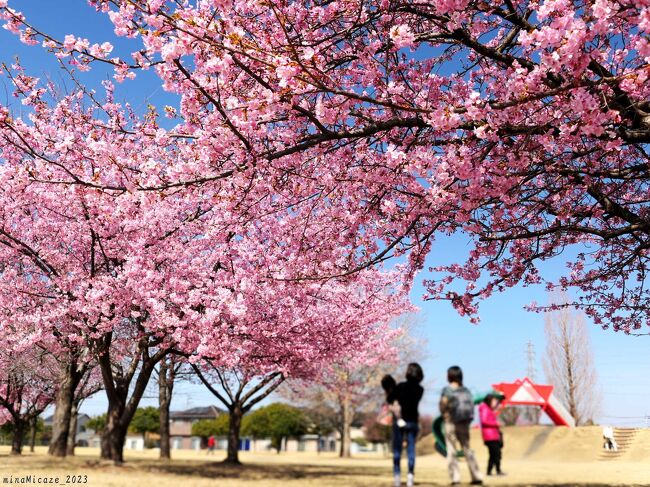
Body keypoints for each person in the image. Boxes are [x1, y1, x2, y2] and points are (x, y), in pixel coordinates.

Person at [439, 366, 483, 486]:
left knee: (451, 450)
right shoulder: (466, 390)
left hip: (451, 422)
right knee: (467, 449)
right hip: (464, 423)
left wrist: (444, 414)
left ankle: (455, 478)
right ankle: (476, 476)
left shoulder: (447, 390)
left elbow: (443, 405)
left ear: (449, 376)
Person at [387, 363, 424, 487]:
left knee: (397, 450)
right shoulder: (420, 389)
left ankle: (397, 478)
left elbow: (390, 399)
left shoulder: (401, 386)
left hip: (400, 421)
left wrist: (390, 389)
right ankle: (410, 478)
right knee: (411, 451)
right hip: (412, 421)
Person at [479, 394, 505, 476]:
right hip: (489, 436)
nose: (495, 402)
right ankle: (493, 471)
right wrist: (496, 424)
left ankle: (494, 470)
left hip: (493, 435)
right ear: (489, 401)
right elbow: (484, 421)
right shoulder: (484, 408)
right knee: (495, 454)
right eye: (494, 401)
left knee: (496, 454)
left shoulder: (489, 409)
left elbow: (496, 408)